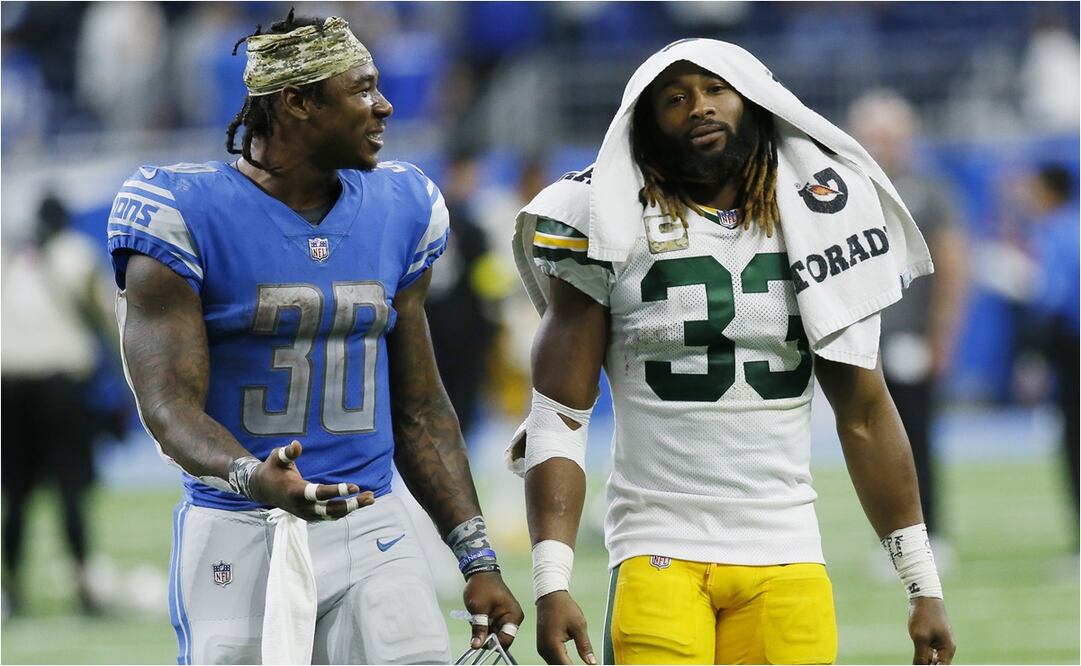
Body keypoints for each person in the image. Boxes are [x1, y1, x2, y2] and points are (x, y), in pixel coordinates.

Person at [507, 40, 956, 665]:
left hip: (787, 545)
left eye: (716, 90)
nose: (700, 108)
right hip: (657, 542)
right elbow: (559, 415)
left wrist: (921, 583)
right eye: (676, 98)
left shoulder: (816, 216)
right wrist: (551, 580)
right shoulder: (599, 217)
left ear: (754, 102)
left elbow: (864, 412)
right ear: (645, 121)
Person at [105, 12, 523, 664]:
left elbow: (419, 407)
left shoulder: (403, 205)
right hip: (241, 526)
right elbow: (168, 406)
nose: (383, 105)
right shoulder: (183, 211)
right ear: (297, 102)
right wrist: (251, 474)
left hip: (370, 522)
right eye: (360, 90)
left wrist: (475, 556)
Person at [847, 90, 968, 556]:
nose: (882, 146)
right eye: (874, 136)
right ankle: (892, 539)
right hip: (862, 338)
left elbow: (953, 262)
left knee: (915, 438)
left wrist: (942, 333)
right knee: (864, 439)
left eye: (890, 136)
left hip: (909, 337)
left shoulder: (929, 190)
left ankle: (928, 533)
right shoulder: (844, 190)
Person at [2, 194, 117, 616]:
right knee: (72, 490)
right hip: (62, 388)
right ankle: (84, 589)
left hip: (10, 386)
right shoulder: (77, 255)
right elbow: (106, 316)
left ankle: (11, 592)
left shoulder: (10, 257)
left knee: (14, 495)